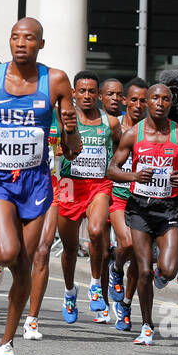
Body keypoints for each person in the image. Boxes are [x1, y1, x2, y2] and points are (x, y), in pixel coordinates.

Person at [0, 18, 80, 355]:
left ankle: (6, 344)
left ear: (41, 44)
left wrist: (70, 132)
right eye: (15, 37)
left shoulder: (55, 80)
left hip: (36, 182)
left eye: (29, 38)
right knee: (10, 252)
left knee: (25, 265)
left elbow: (72, 150)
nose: (21, 43)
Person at [107, 82, 178, 345]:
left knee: (169, 269)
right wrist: (134, 175)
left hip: (169, 210)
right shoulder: (133, 134)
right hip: (140, 208)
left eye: (166, 99)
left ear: (170, 103)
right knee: (142, 270)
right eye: (155, 98)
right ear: (148, 102)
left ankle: (157, 278)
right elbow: (111, 169)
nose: (160, 103)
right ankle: (147, 325)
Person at [44, 71, 122, 331]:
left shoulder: (110, 123)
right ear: (74, 94)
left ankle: (96, 285)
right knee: (69, 248)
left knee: (98, 230)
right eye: (82, 91)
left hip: (99, 184)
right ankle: (69, 292)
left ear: (98, 95)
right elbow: (51, 145)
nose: (87, 96)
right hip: (68, 185)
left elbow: (121, 151)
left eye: (92, 91)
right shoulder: (63, 119)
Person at [106, 78, 148, 319]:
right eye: (134, 100)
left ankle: (126, 305)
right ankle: (115, 268)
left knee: (141, 259)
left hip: (144, 199)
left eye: (144, 100)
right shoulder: (115, 126)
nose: (139, 105)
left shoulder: (152, 131)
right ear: (125, 101)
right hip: (118, 194)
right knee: (128, 244)